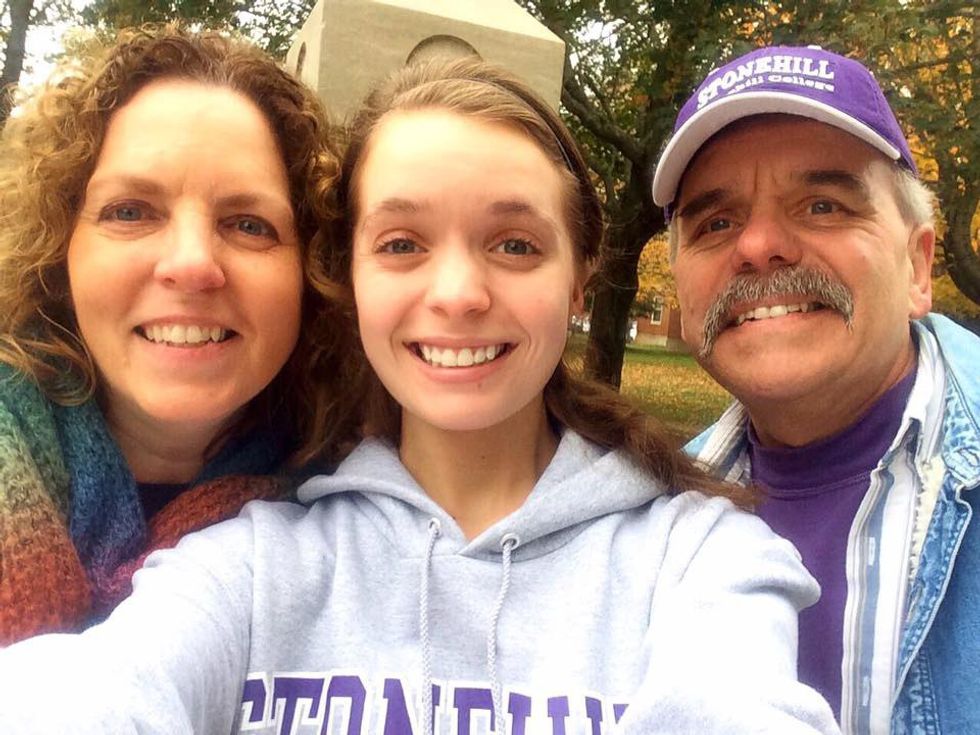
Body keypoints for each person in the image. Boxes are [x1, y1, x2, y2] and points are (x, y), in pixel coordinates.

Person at [0, 58, 838, 734]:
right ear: (348, 275)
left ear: (580, 279)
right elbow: (103, 691)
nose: (459, 293)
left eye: (515, 244)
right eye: (402, 243)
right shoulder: (252, 560)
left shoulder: (702, 562)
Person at [652, 44, 980, 734]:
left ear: (918, 267)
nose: (758, 245)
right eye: (716, 223)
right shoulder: (652, 514)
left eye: (823, 206)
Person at [0, 25, 358, 643]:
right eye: (130, 212)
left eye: (249, 224)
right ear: (59, 250)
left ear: (313, 273)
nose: (192, 264)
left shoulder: (365, 516)